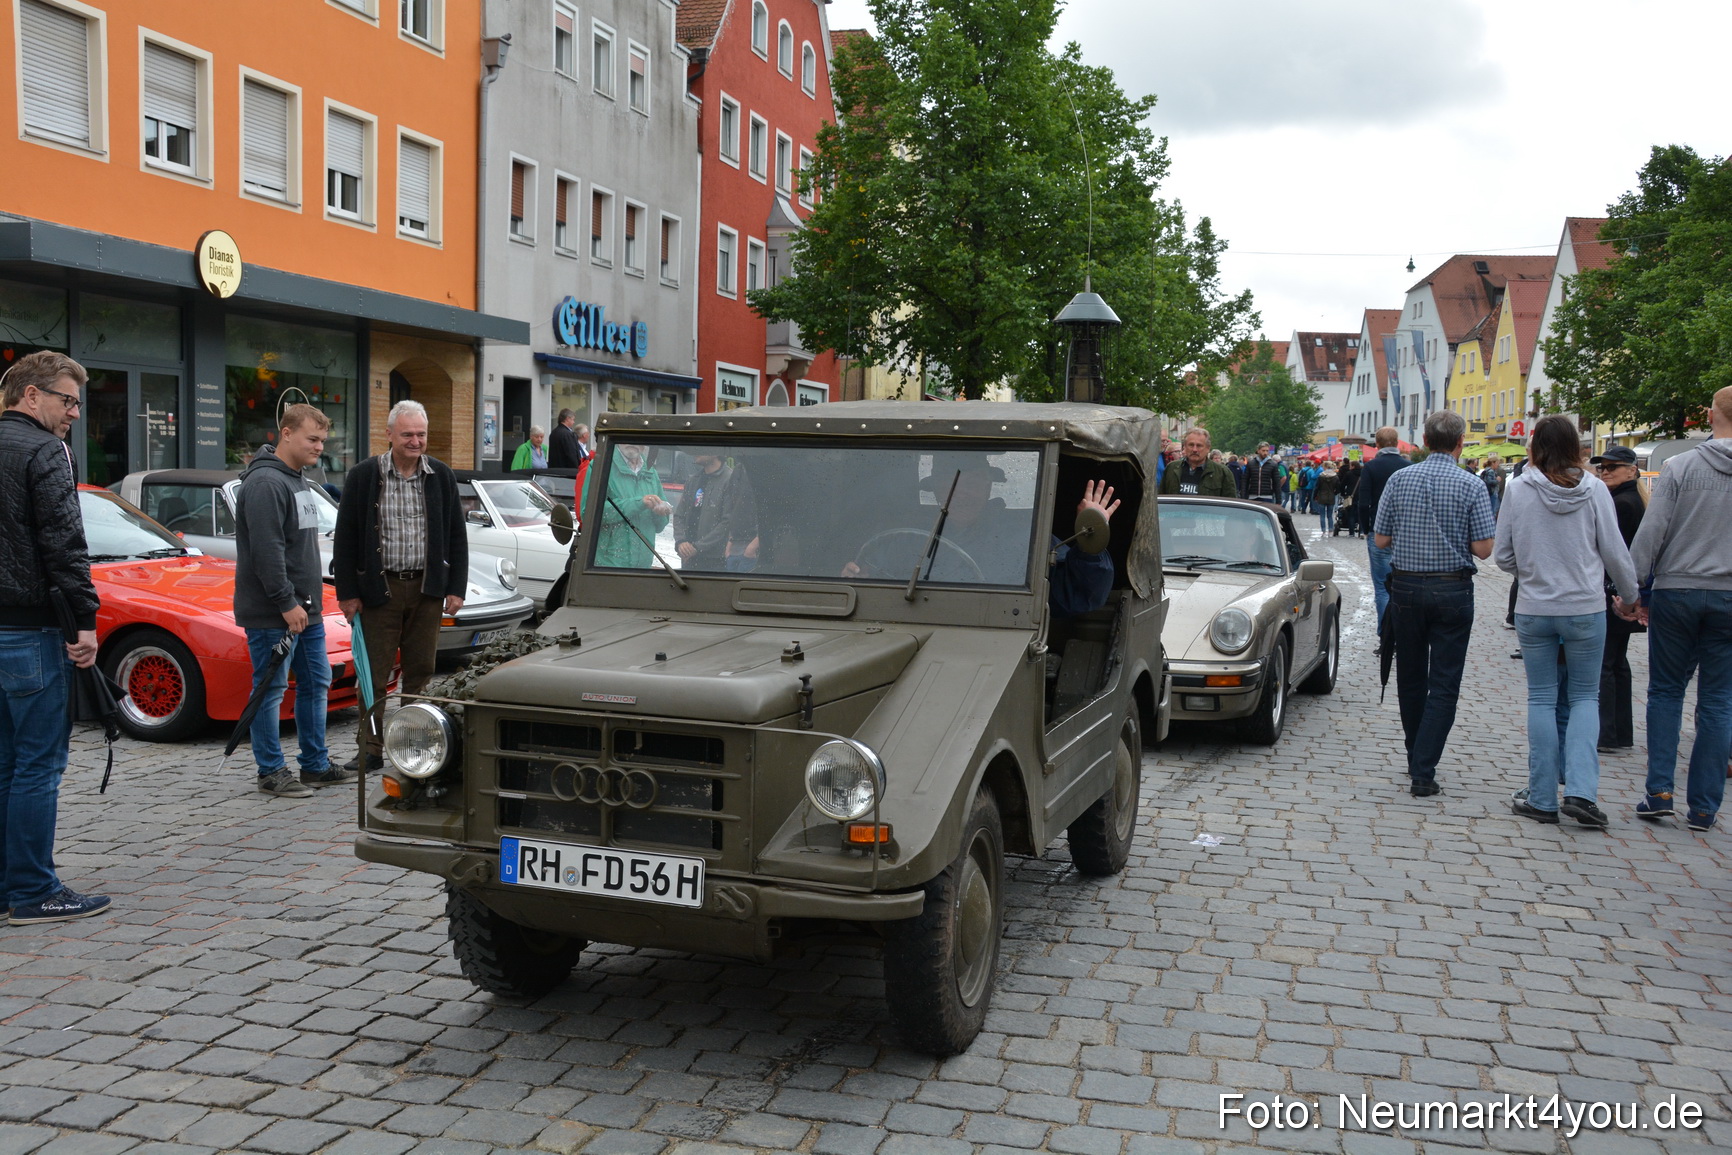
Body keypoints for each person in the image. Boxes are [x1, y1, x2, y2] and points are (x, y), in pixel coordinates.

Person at [0, 352, 111, 925]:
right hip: (30, 632)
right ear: (31, 395)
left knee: (4, 766)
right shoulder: (45, 450)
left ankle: (6, 887)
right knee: (38, 766)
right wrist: (85, 622)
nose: (74, 412)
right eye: (67, 400)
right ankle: (33, 889)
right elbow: (65, 543)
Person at [1496, 416, 1638, 829]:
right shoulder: (1595, 489)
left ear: (1535, 445)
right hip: (1584, 609)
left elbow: (1503, 554)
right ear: (1576, 446)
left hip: (1535, 609)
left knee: (1541, 698)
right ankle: (1581, 792)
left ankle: (1541, 797)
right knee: (1584, 699)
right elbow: (1614, 550)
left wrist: (1532, 571)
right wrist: (1630, 598)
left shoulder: (1519, 488)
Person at [333, 400, 468, 774]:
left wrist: (456, 586)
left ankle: (417, 743)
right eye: (407, 434)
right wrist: (348, 592)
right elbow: (345, 537)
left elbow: (457, 534)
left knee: (422, 671)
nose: (415, 441)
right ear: (389, 434)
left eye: (421, 434)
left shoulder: (440, 475)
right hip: (380, 591)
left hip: (427, 590)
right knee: (373, 676)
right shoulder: (364, 475)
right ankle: (371, 748)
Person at [1374, 410, 1495, 796]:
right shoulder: (1471, 485)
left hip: (1406, 588)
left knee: (1410, 677)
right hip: (1452, 591)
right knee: (1444, 682)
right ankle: (1423, 769)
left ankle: (1415, 757)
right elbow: (1483, 549)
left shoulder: (1399, 478)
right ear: (1461, 443)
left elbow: (1380, 540)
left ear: (1425, 442)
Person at [1628, 385, 1732, 832]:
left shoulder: (1680, 466)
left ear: (1711, 415)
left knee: (1667, 691)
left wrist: (1631, 587)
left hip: (1678, 589)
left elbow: (1652, 531)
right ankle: (1706, 807)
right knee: (1719, 699)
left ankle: (1660, 793)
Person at [235, 403, 345, 798]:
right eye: (312, 439)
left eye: (322, 440)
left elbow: (299, 548)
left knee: (317, 681)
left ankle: (314, 765)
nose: (320, 447)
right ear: (286, 433)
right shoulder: (266, 483)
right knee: (270, 688)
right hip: (274, 612)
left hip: (307, 610)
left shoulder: (297, 479)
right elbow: (267, 551)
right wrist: (286, 602)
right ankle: (271, 771)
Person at [1587, 445, 1645, 752]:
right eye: (1602, 467)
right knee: (1617, 663)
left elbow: (1614, 553)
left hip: (1613, 592)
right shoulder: (1629, 499)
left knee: (1606, 663)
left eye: (1613, 467)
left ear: (1632, 470)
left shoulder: (1622, 503)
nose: (1605, 471)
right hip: (1622, 589)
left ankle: (1606, 734)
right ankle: (1621, 733)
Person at [585, 443, 673, 568]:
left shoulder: (650, 472)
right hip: (609, 565)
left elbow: (660, 526)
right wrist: (639, 503)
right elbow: (589, 514)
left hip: (643, 566)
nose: (633, 442)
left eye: (639, 438)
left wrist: (660, 511)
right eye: (627, 437)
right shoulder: (602, 467)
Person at [1358, 427, 1410, 630]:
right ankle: (1400, 632)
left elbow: (1363, 503)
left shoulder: (1371, 468)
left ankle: (1385, 634)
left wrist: (1365, 528)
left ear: (1377, 445)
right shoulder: (1408, 466)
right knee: (1402, 585)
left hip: (1378, 531)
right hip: (1404, 532)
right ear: (1397, 443)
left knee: (1381, 586)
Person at [673, 451, 758, 572]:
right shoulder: (693, 480)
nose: (695, 451)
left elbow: (727, 521)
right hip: (688, 558)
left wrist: (697, 547)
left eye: (702, 447)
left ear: (716, 452)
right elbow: (679, 515)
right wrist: (681, 542)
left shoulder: (730, 479)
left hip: (716, 560)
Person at [1158, 428, 1237, 497]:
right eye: (1191, 445)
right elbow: (1161, 499)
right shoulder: (1172, 469)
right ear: (1184, 447)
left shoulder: (1222, 473)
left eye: (1199, 445)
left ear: (1208, 448)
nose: (1194, 449)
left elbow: (1231, 507)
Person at [1311, 462, 1340, 534]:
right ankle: (1330, 529)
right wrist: (1334, 493)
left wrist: (1314, 496)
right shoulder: (1335, 477)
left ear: (1325, 467)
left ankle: (1323, 530)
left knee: (1322, 515)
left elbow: (1317, 487)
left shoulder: (1321, 476)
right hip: (1331, 497)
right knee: (1330, 515)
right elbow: (1338, 488)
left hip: (1321, 496)